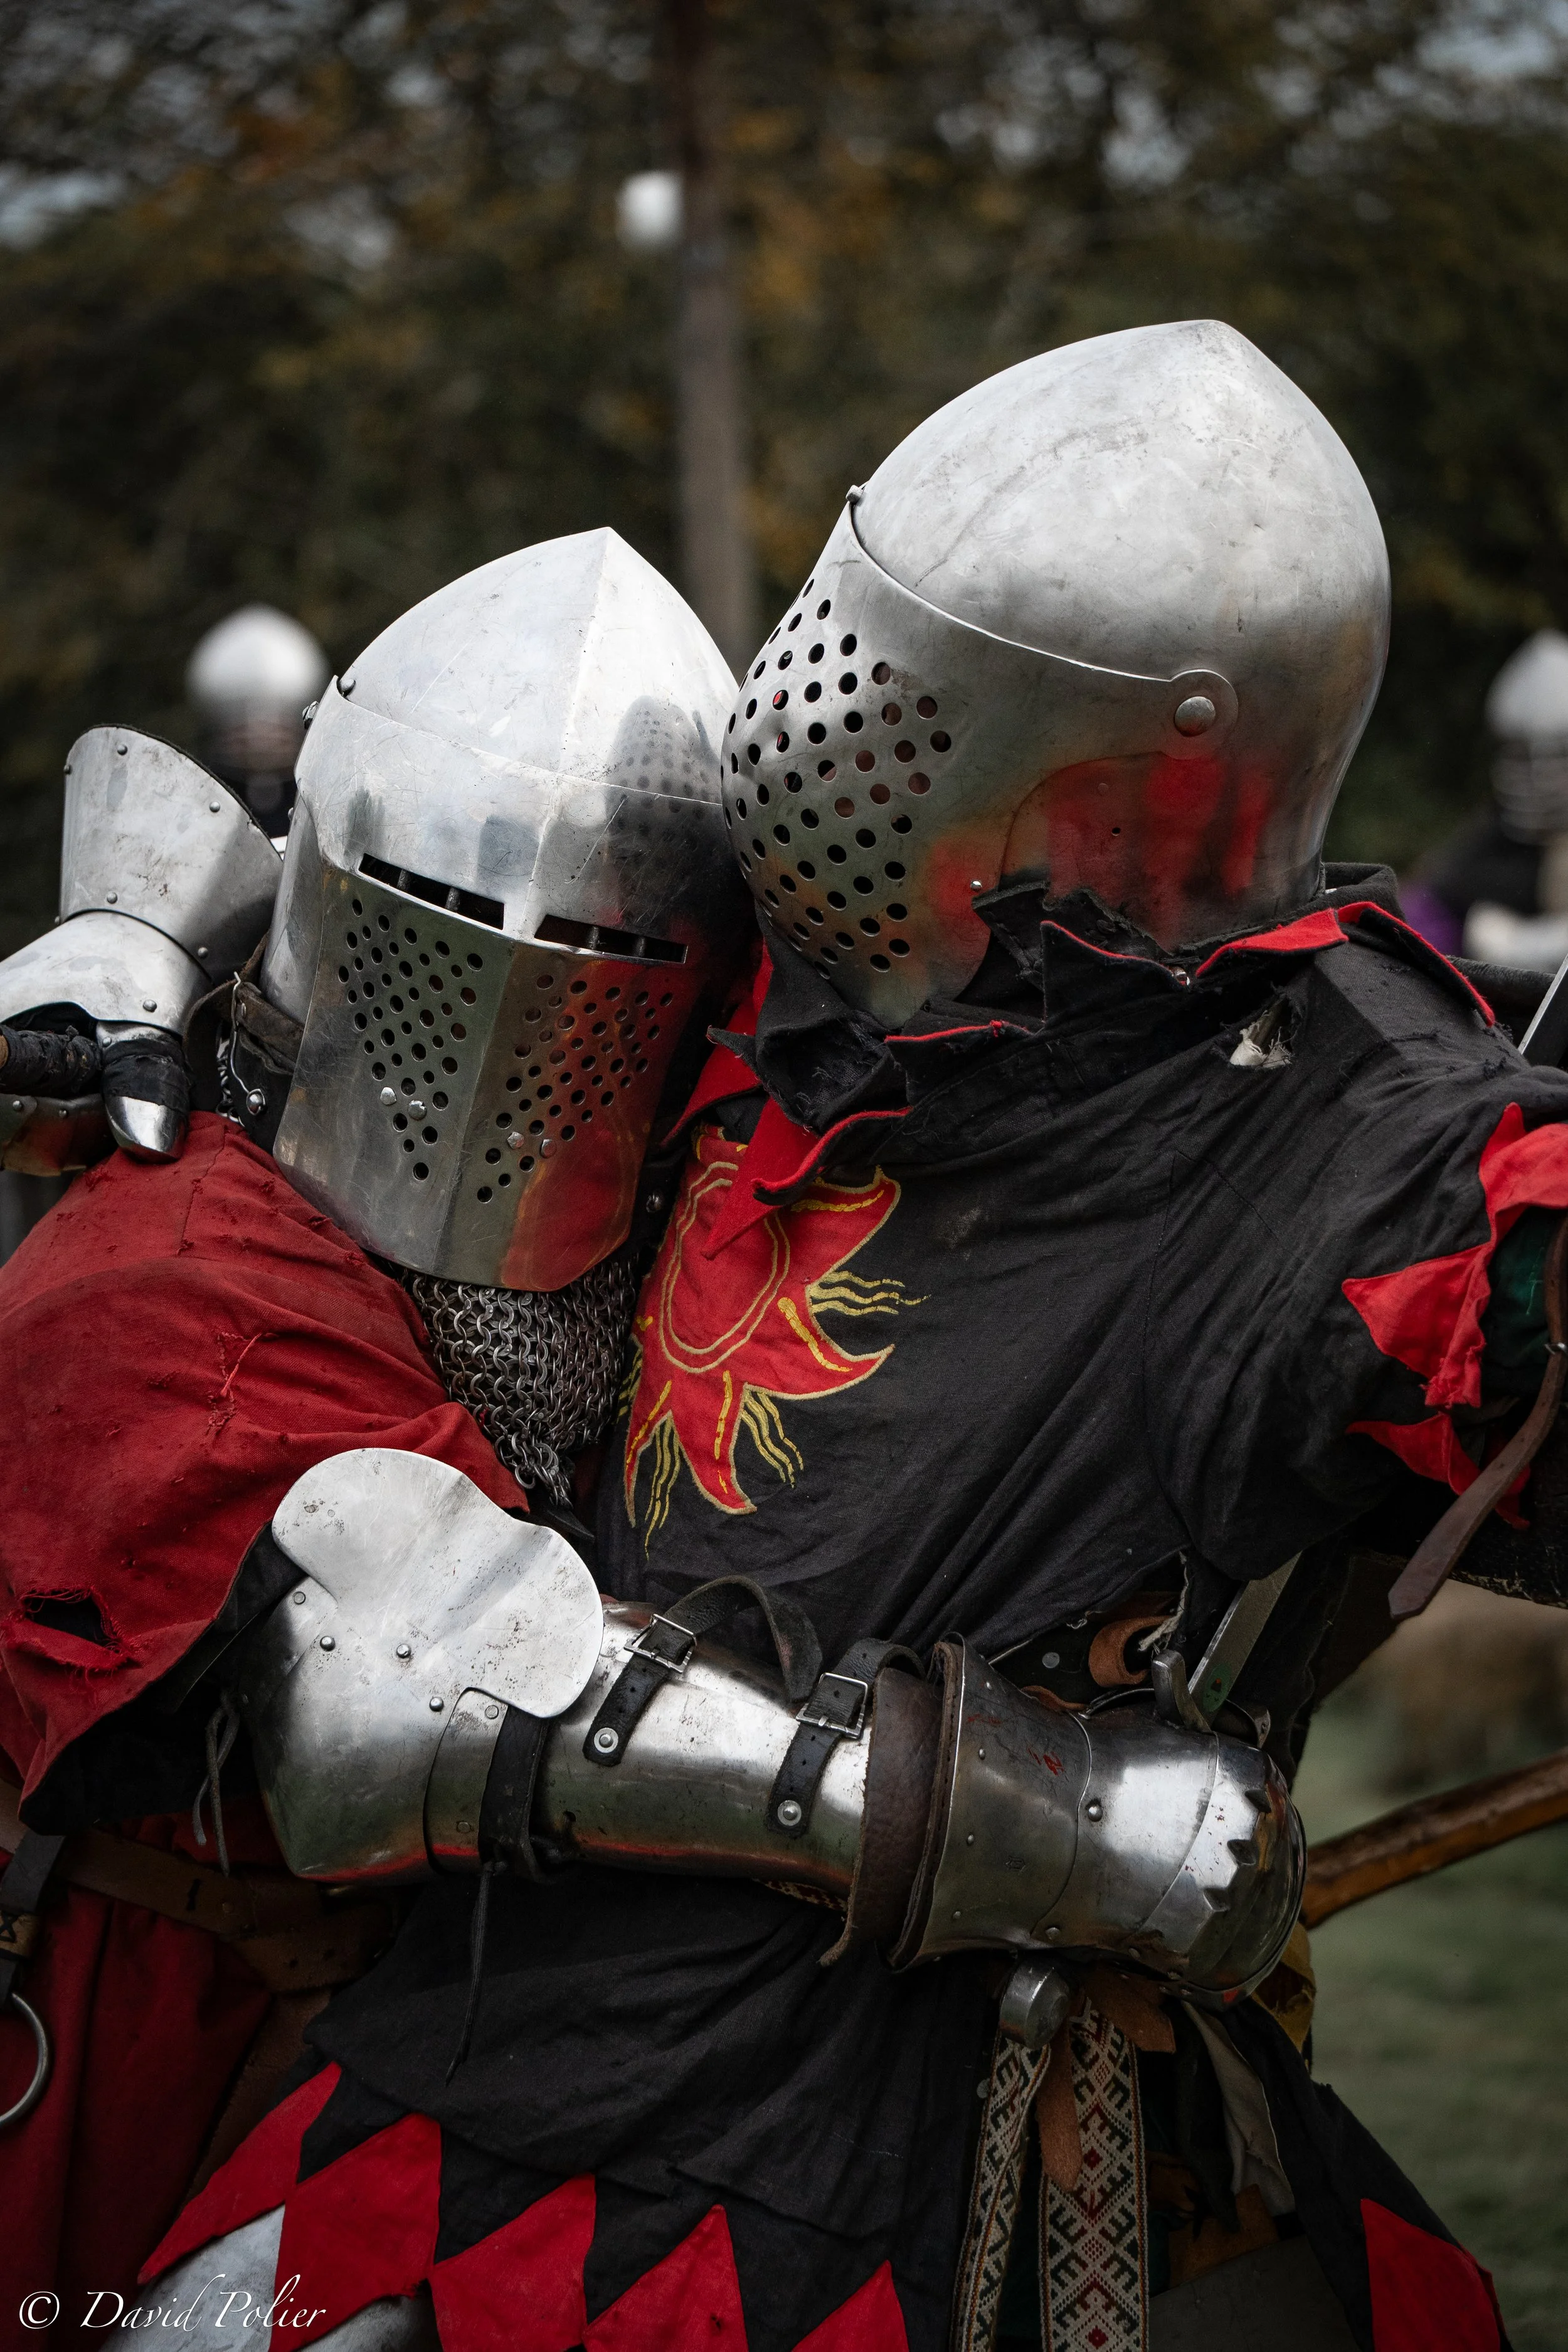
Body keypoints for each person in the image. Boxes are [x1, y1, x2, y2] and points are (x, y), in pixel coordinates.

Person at [19, 322, 1564, 2352]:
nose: (810, 723)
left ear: (1093, 764)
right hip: (462, 2050)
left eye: (876, 681)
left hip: (886, 2166)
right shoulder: (817, 992)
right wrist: (154, 934)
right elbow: (443, 877)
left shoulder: (1378, 1163)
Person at [0, 528, 743, 2319]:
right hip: (146, 2020)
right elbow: (453, 1681)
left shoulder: (675, 1216)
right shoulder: (174, 1270)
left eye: (605, 961)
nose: (518, 1012)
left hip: (452, 2018)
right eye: (464, 935)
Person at [1405, 628, 1568, 971]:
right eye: (1519, 755)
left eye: (1557, 756)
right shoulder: (1485, 852)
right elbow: (1420, 922)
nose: (1537, 774)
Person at [186, 603, 331, 837]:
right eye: (243, 731)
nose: (260, 738)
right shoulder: (194, 798)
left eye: (276, 729)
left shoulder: (321, 800)